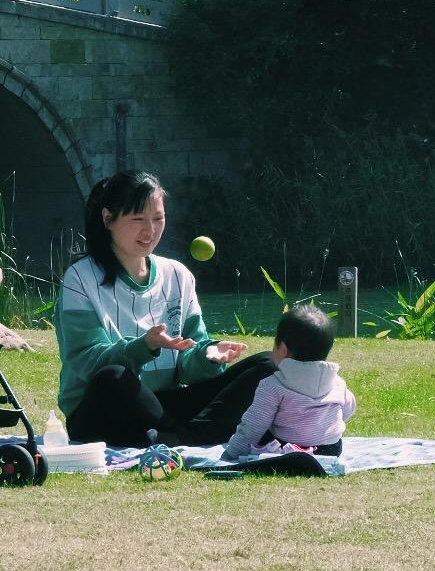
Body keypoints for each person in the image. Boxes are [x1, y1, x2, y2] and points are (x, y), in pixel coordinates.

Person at [55, 169, 275, 447]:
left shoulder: (178, 275)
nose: (150, 231)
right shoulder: (80, 278)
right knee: (112, 377)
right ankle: (195, 434)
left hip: (165, 408)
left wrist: (207, 354)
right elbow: (85, 363)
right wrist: (143, 346)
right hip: (104, 409)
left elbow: (187, 365)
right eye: (138, 219)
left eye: (158, 219)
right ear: (108, 218)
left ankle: (179, 436)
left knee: (267, 365)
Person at [222, 305, 356, 461]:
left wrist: (231, 454)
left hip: (287, 450)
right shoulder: (337, 382)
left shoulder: (273, 385)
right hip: (330, 450)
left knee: (264, 433)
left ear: (283, 349)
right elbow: (349, 409)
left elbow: (253, 426)